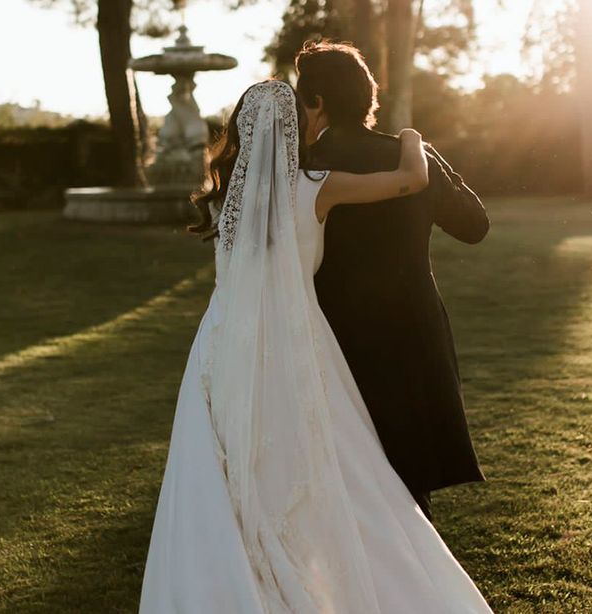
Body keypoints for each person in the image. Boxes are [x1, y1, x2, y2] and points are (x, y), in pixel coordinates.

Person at [139, 80, 491, 613]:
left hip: (222, 339)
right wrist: (414, 135)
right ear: (295, 126)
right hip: (296, 333)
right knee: (325, 455)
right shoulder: (318, 186)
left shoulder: (226, 201)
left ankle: (237, 575)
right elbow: (409, 179)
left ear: (242, 131)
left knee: (227, 459)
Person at [297, 41, 490, 519]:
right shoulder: (411, 158)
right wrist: (435, 159)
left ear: (316, 101)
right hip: (412, 326)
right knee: (409, 471)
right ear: (368, 98)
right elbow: (473, 226)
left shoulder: (299, 169)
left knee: (351, 469)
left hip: (335, 330)